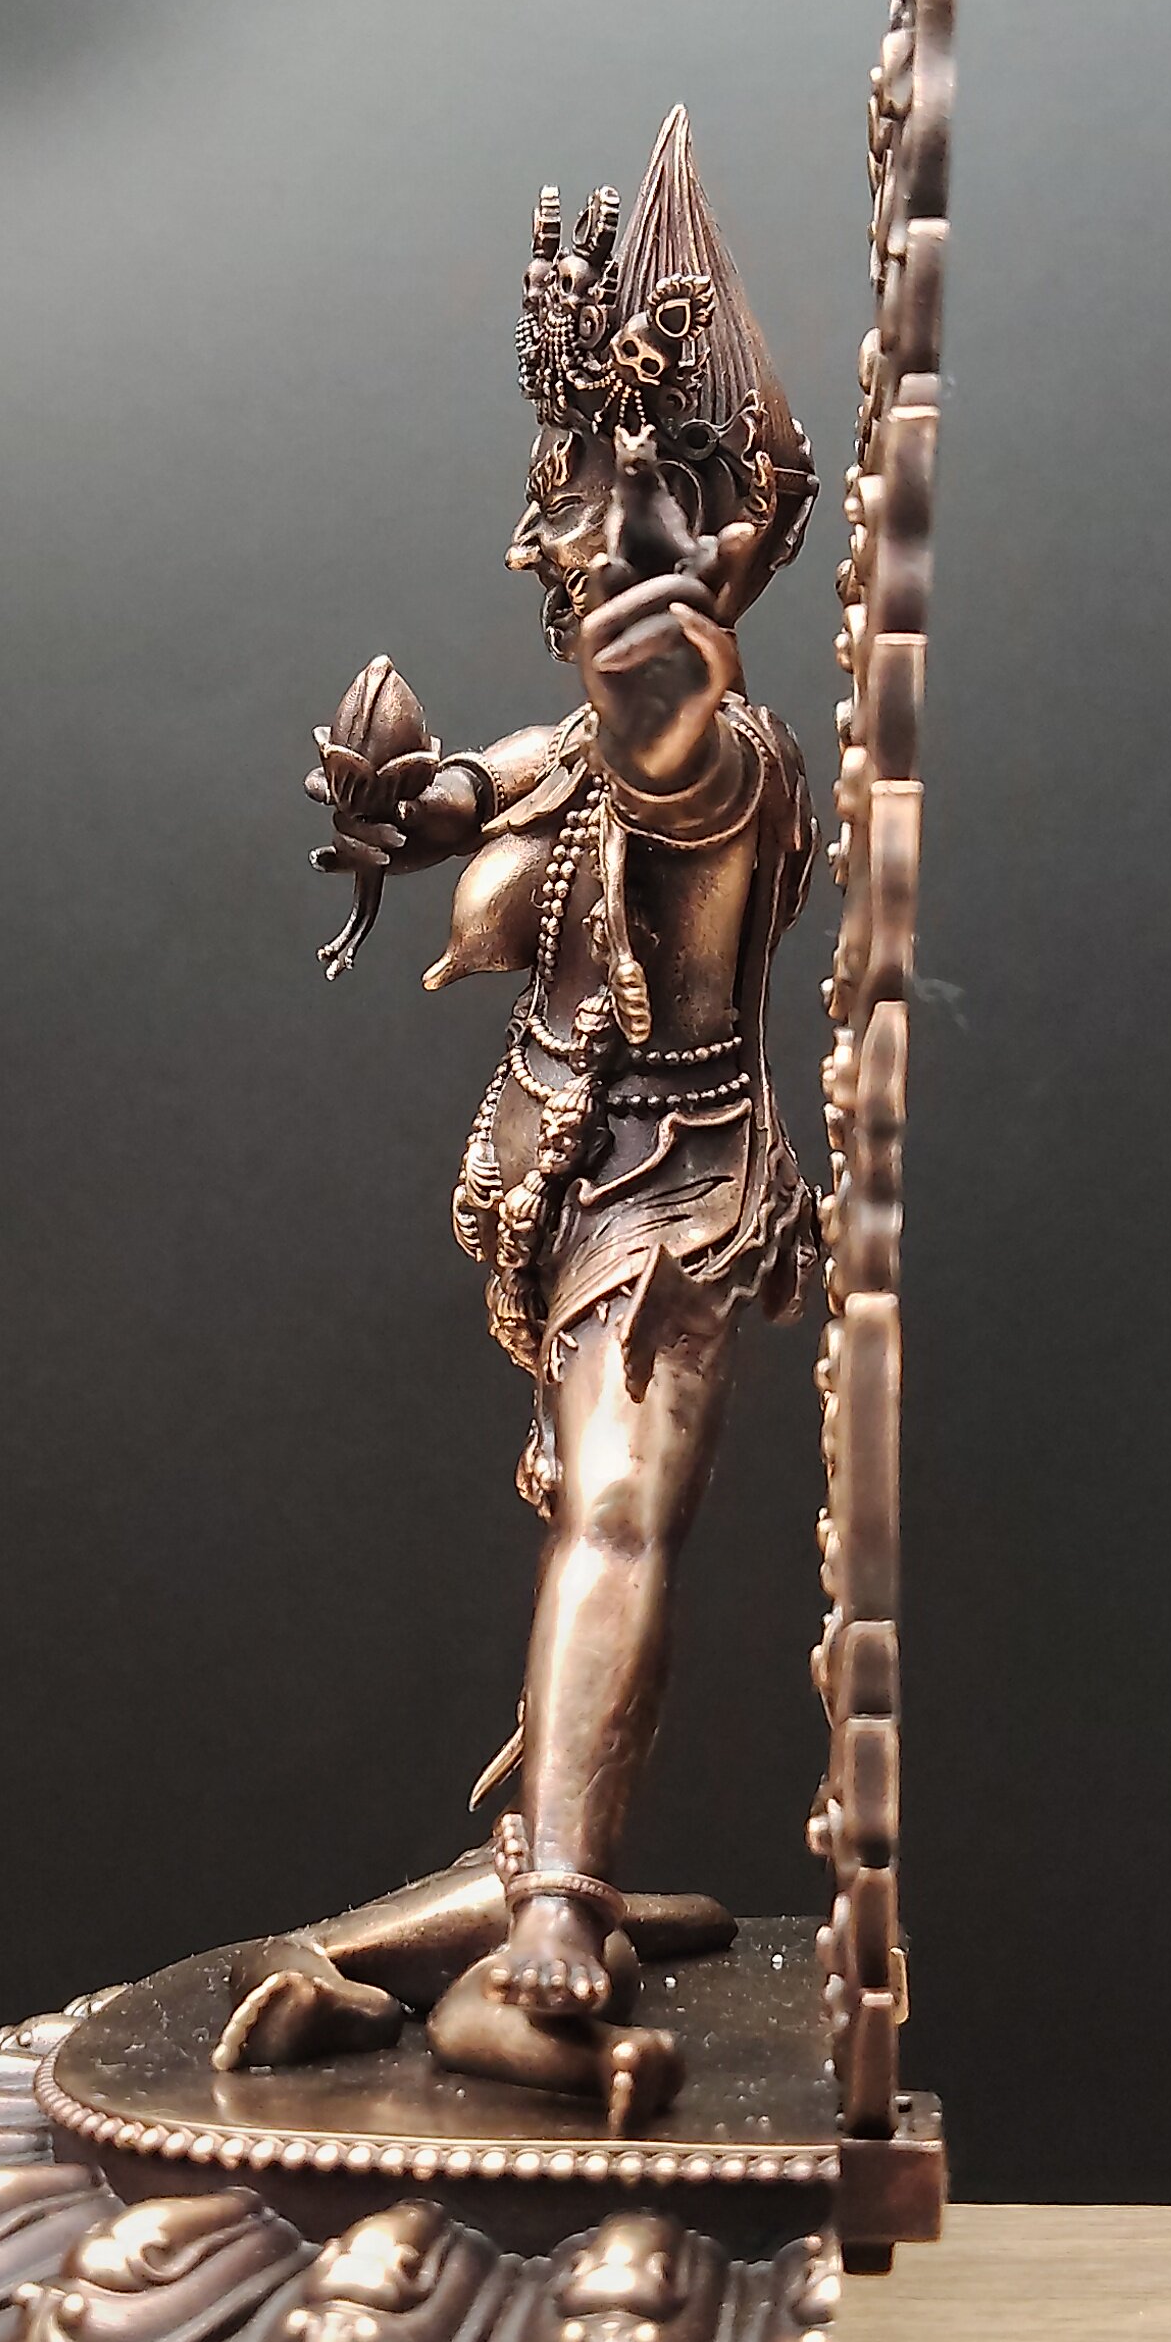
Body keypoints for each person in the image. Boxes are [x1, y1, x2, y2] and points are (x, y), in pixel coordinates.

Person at [221, 109, 819, 2130]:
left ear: (684, 535)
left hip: (676, 1195)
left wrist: (672, 611)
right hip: (560, 1191)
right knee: (590, 1523)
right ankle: (511, 1886)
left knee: (622, 1519)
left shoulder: (719, 751)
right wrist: (401, 800)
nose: (548, 543)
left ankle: (551, 1903)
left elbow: (656, 730)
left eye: (584, 504)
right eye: (557, 503)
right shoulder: (580, 731)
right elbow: (487, 784)